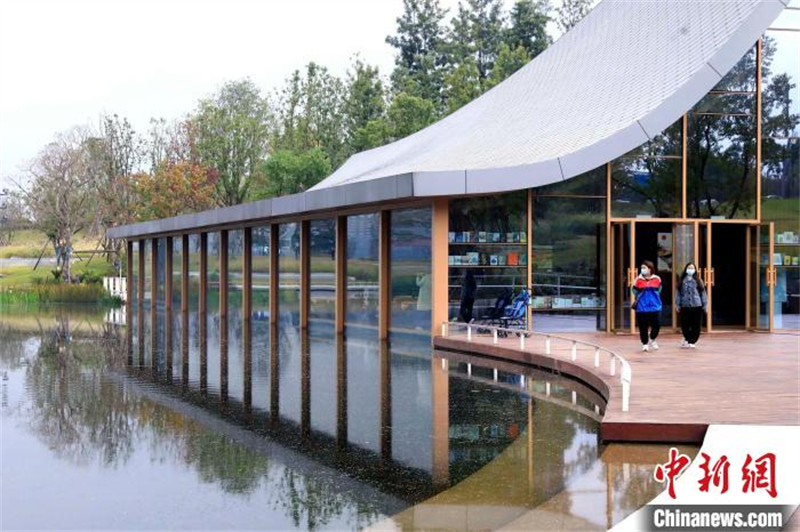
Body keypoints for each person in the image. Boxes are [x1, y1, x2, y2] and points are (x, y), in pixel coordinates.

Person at [632, 259, 662, 352]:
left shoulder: (657, 279)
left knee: (657, 325)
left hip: (655, 307)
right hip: (642, 308)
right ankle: (645, 343)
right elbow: (634, 291)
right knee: (643, 327)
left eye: (644, 267)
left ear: (650, 269)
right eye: (642, 268)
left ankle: (652, 338)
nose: (642, 269)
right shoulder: (638, 279)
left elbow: (660, 290)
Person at [676, 262, 706, 348]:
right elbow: (678, 293)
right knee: (685, 324)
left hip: (697, 305)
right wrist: (677, 305)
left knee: (696, 324)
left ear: (695, 270)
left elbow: (703, 293)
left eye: (692, 268)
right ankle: (687, 338)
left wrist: (704, 305)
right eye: (689, 268)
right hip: (685, 305)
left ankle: (692, 341)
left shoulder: (698, 280)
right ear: (686, 269)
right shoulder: (682, 280)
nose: (690, 269)